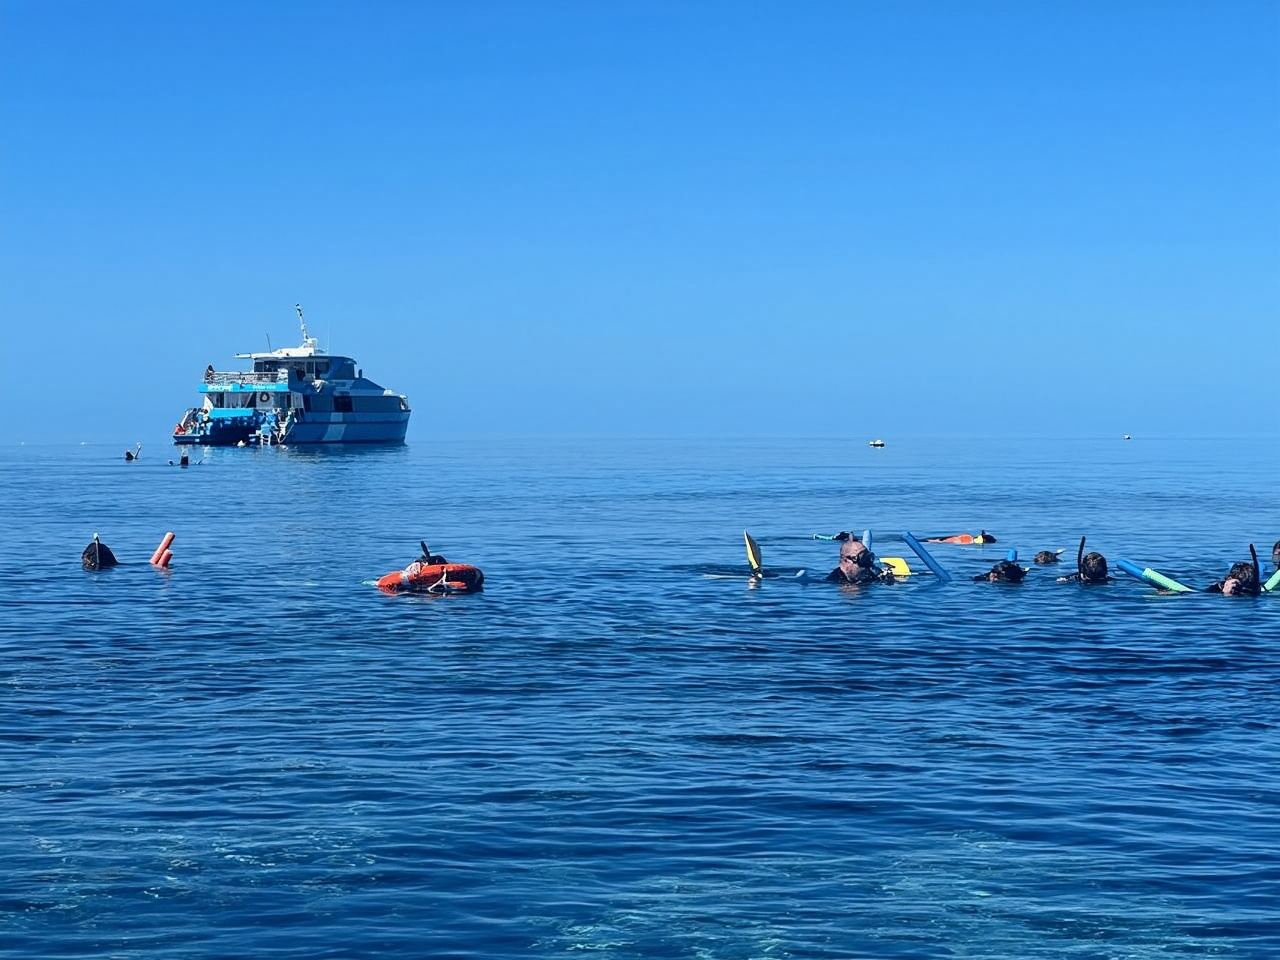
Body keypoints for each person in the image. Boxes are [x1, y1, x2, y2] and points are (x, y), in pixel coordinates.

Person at [826, 539, 895, 585]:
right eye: (862, 558)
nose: (867, 563)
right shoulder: (834, 581)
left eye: (868, 557)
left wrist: (888, 579)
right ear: (846, 561)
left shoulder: (871, 573)